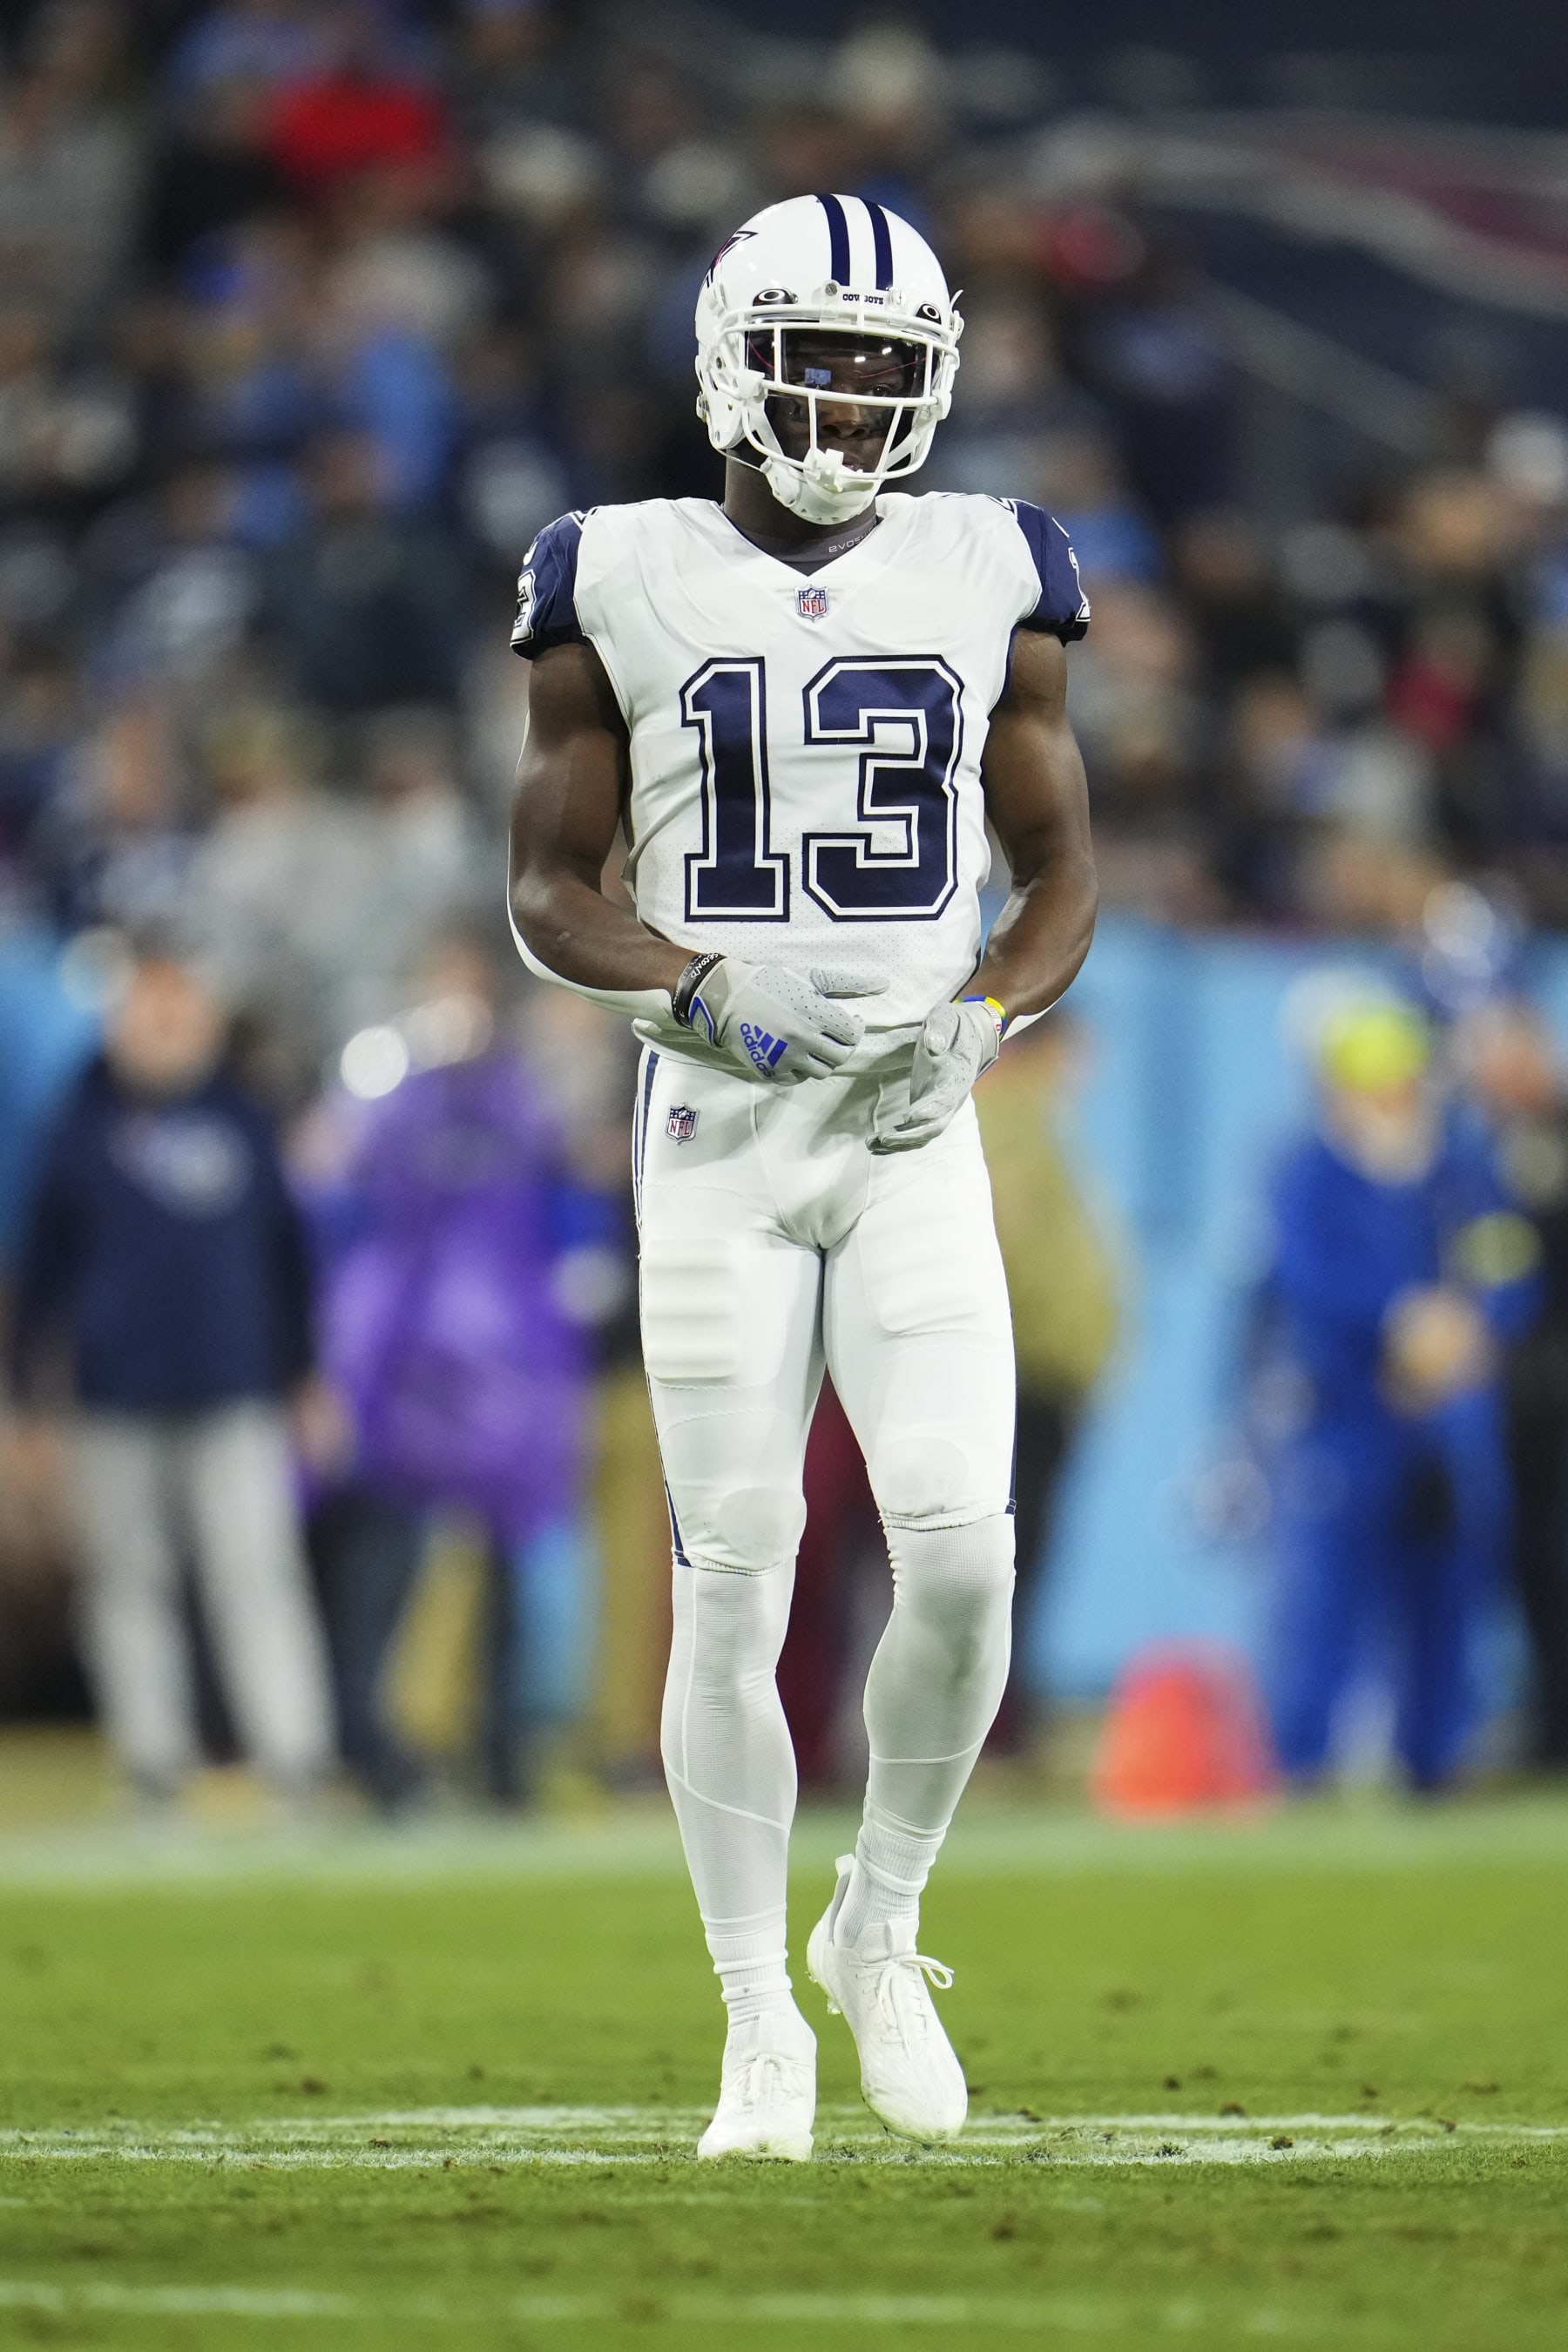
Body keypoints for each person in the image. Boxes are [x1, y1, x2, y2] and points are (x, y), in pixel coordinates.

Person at [509, 196, 1095, 2159]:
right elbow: (543, 888)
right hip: (720, 1135)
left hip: (915, 1127)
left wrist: (994, 1010)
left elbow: (1062, 870)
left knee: (963, 1550)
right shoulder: (613, 571)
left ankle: (879, 1920)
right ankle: (755, 2014)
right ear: (728, 359)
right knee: (736, 1577)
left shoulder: (992, 560)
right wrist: (693, 982)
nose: (851, 397)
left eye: (884, 364)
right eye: (818, 354)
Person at [7, 941, 335, 1806]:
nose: (162, 1022)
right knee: (126, 1581)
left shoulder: (243, 1114)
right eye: (147, 1005)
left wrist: (306, 1377)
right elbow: (40, 1274)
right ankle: (152, 1761)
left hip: (235, 1389)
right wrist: (26, 1403)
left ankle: (292, 1754)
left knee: (256, 1574)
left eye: (178, 1003)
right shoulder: (78, 1122)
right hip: (112, 1394)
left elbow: (286, 1260)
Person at [1260, 993, 1539, 1793]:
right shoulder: (1310, 1173)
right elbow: (1310, 1283)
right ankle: (1300, 1765)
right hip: (1345, 1416)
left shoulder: (1460, 1170)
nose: (1395, 1098)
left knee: (1447, 1595)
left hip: (1448, 1422)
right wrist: (1398, 1324)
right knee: (1325, 1602)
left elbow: (1508, 1264)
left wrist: (1471, 1325)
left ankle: (1437, 1759)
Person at [1454, 998, 1568, 1768]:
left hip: (1549, 1383)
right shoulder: (1482, 1145)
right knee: (1530, 1557)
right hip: (1520, 1393)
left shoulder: (1536, 1142)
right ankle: (1549, 1719)